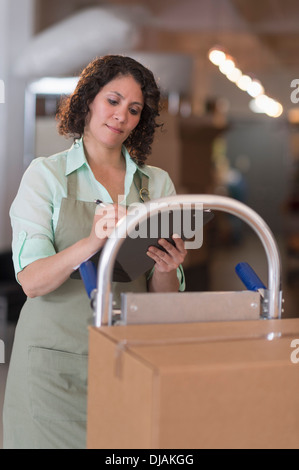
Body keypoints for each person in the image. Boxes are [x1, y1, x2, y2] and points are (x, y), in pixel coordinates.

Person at [3, 55, 187, 449]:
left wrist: (166, 267)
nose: (122, 115)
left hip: (128, 362)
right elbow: (32, 282)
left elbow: (165, 300)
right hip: (52, 371)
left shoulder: (156, 185)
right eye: (113, 100)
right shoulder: (45, 176)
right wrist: (91, 242)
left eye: (134, 109)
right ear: (88, 100)